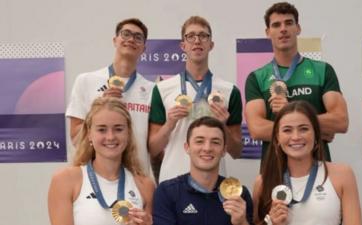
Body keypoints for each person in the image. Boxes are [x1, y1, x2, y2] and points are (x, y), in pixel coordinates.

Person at [245, 2, 348, 167]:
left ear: (298, 28)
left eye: (289, 23)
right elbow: (257, 129)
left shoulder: (322, 71)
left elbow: (341, 120)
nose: (283, 29)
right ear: (268, 32)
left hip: (318, 168)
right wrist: (314, 129)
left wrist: (290, 109)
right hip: (274, 170)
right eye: (276, 25)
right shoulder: (257, 78)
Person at [148, 16, 243, 182]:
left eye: (203, 36)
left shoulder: (229, 91)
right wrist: (170, 123)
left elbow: (236, 152)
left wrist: (223, 126)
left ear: (211, 45)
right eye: (190, 36)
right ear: (183, 45)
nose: (197, 41)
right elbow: (153, 148)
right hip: (172, 179)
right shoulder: (162, 89)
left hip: (212, 182)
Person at [66, 18, 154, 177]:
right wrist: (99, 109)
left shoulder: (152, 89)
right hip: (94, 178)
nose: (131, 39)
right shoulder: (86, 81)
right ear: (115, 40)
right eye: (126, 34)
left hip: (137, 176)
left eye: (138, 37)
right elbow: (75, 138)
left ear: (143, 48)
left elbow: (154, 145)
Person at [252, 101, 362, 225]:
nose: (296, 137)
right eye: (287, 130)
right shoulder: (262, 182)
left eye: (303, 129)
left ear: (315, 134)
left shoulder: (342, 174)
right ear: (277, 138)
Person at [49, 97, 154, 225]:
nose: (110, 137)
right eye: (102, 129)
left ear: (128, 133)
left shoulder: (145, 185)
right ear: (89, 134)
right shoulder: (65, 180)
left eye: (118, 129)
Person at [153, 116, 253, 225]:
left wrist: (242, 223)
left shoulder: (240, 195)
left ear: (224, 150)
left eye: (215, 142)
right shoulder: (167, 192)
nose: (207, 148)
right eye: (199, 141)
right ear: (187, 147)